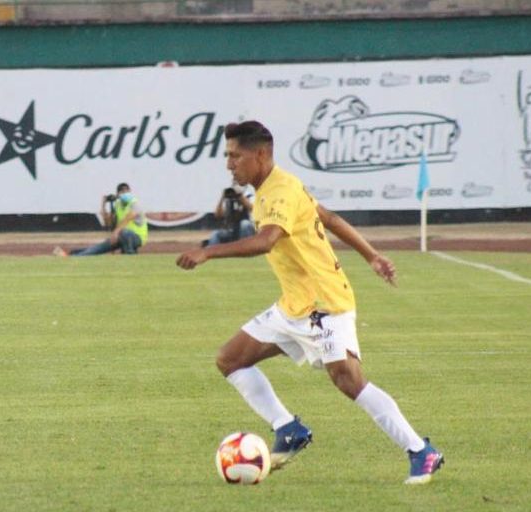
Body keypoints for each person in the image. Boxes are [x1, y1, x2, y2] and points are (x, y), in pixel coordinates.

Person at [176, 121, 443, 485]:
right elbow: (328, 217)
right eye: (227, 156)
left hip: (324, 304)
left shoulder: (280, 191)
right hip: (294, 304)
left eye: (235, 156)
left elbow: (266, 241)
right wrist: (372, 256)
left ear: (261, 154)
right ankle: (288, 429)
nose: (229, 164)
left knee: (348, 380)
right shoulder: (274, 187)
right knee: (230, 359)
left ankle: (420, 451)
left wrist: (208, 252)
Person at [53, 183, 148, 256]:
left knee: (125, 232)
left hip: (138, 237)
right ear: (118, 194)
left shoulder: (134, 204)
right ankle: (71, 255)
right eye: (122, 192)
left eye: (126, 192)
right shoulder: (118, 205)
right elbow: (108, 224)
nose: (125, 194)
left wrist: (115, 233)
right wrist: (103, 206)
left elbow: (127, 218)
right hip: (120, 236)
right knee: (96, 249)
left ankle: (130, 255)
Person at [204, 182, 255, 247]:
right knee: (215, 234)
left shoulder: (248, 195)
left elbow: (251, 208)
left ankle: (246, 248)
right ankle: (212, 252)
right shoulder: (229, 198)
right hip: (233, 231)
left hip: (247, 231)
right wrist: (222, 197)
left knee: (244, 224)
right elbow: (218, 215)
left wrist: (239, 196)